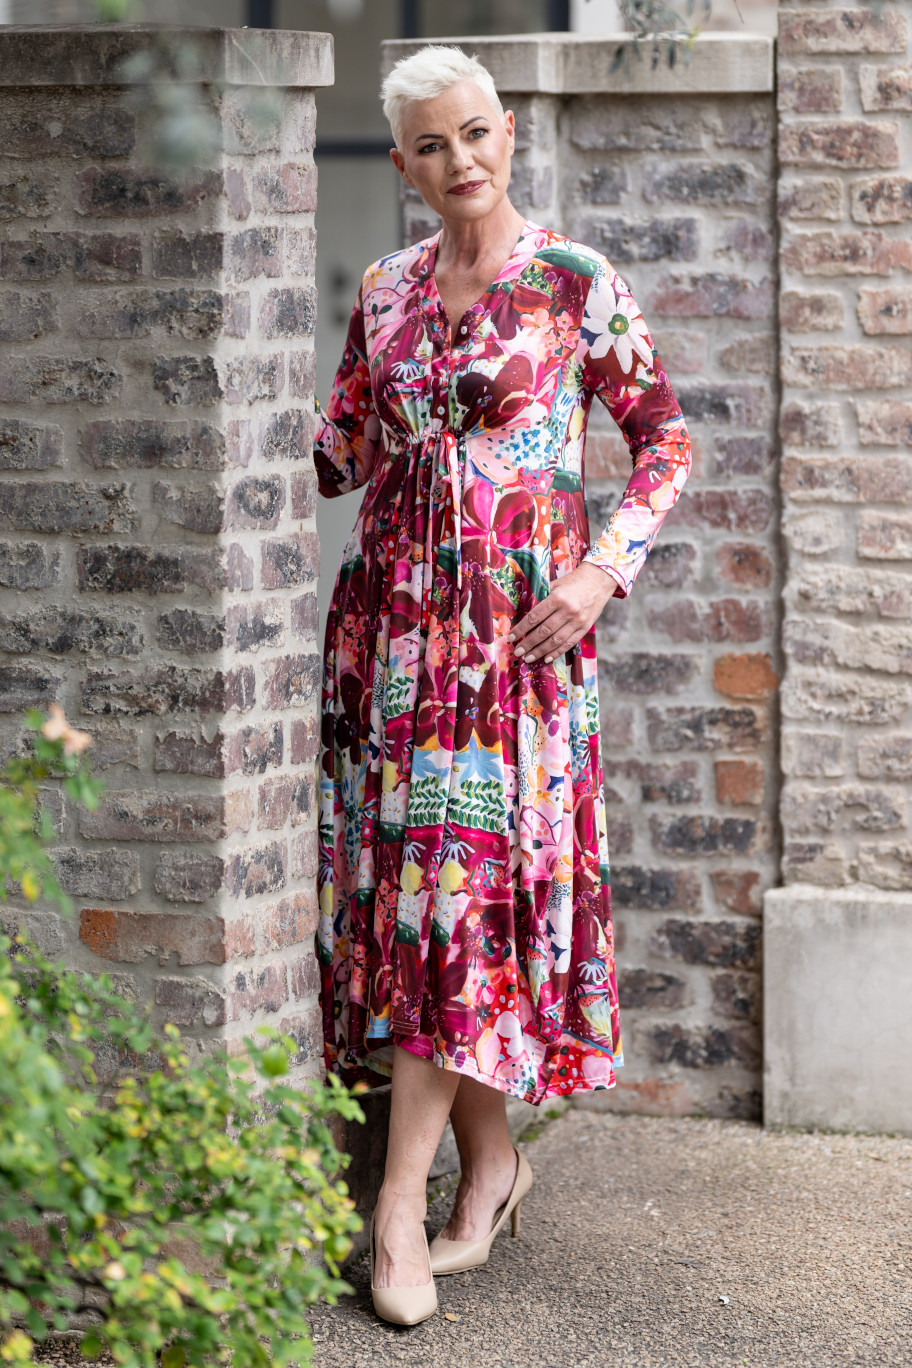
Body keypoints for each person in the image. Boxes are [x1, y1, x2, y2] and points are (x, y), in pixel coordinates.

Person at [312, 44, 691, 1326]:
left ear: (509, 131)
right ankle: (491, 1164)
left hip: (514, 646)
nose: (459, 159)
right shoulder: (385, 289)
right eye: (431, 144)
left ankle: (396, 1211)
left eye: (475, 132)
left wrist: (598, 572)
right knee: (430, 907)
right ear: (404, 163)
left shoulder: (575, 281)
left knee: (456, 896)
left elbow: (665, 444)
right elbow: (340, 449)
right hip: (389, 637)